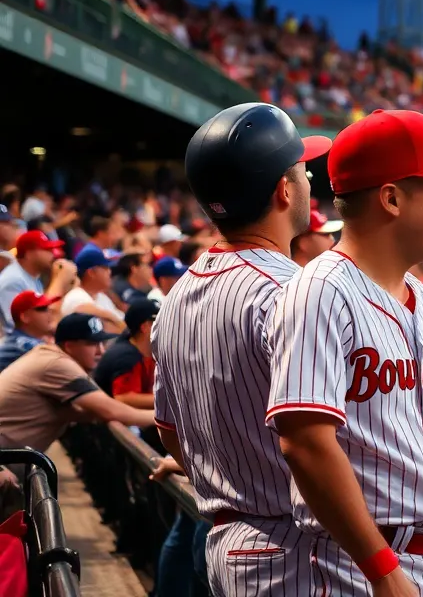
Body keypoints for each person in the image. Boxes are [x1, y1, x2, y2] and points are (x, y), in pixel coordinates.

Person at [266, 109, 423, 597]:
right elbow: (305, 443)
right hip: (358, 569)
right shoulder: (319, 291)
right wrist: (382, 569)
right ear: (391, 198)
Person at [151, 102, 331, 597]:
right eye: (304, 171)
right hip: (307, 554)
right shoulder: (297, 292)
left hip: (229, 545)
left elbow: (170, 432)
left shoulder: (175, 298)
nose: (311, 181)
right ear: (284, 190)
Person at [0, 313, 155, 453]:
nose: (100, 351)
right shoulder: (57, 364)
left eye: (102, 343)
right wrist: (164, 418)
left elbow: (87, 412)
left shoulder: (50, 357)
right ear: (69, 346)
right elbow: (111, 411)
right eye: (92, 344)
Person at [0, 230, 76, 334]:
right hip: (17, 346)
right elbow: (21, 325)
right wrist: (59, 281)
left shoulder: (32, 276)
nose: (53, 254)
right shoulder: (12, 281)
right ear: (29, 254)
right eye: (47, 250)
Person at [95, 298, 160, 409]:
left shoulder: (149, 351)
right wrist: (171, 401)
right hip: (112, 421)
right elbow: (124, 398)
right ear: (145, 327)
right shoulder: (126, 356)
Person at [60, 246, 125, 333]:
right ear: (91, 273)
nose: (110, 272)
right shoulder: (76, 297)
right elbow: (113, 330)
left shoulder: (101, 296)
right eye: (105, 268)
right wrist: (113, 319)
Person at [0, 291, 61, 371]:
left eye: (48, 308)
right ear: (25, 317)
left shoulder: (18, 338)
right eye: (42, 309)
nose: (49, 312)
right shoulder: (23, 344)